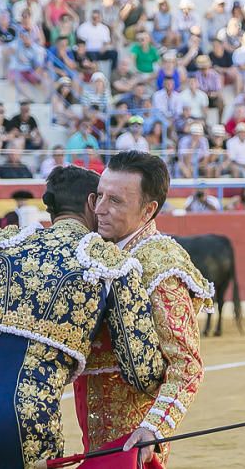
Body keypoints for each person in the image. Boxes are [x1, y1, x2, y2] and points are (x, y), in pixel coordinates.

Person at [0, 167, 164, 468]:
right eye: (101, 199)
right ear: (91, 203)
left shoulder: (2, 244)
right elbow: (142, 371)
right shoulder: (109, 263)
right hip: (30, 405)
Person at [75, 151, 214, 469]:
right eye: (100, 196)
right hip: (94, 426)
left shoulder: (160, 263)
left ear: (148, 210)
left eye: (116, 201)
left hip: (133, 437)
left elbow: (187, 365)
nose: (100, 209)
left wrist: (154, 428)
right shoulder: (99, 248)